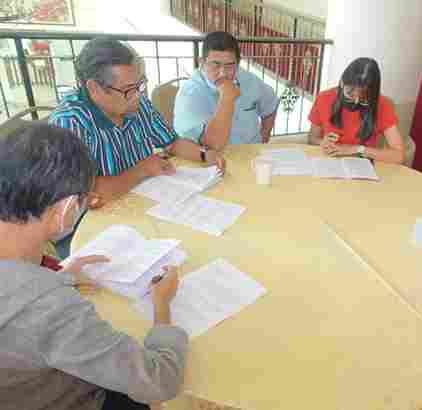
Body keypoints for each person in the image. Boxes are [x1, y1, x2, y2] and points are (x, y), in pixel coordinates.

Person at [0, 123, 188, 410]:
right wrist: (162, 306)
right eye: (83, 200)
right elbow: (158, 381)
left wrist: (60, 275)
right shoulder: (49, 307)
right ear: (65, 209)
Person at [49, 37, 225, 209]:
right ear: (94, 88)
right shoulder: (69, 123)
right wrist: (142, 170)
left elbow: (172, 143)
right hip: (100, 218)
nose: (137, 96)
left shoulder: (136, 103)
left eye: (139, 85)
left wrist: (204, 154)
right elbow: (83, 196)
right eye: (128, 90)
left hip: (146, 202)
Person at [174, 31, 279, 148]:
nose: (223, 73)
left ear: (237, 64)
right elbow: (213, 143)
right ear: (202, 63)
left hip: (251, 151)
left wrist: (263, 139)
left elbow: (271, 103)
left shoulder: (247, 79)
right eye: (215, 65)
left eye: (229, 65)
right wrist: (227, 97)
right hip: (212, 156)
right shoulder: (190, 94)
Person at [307, 57, 405, 164]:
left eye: (363, 97)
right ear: (342, 83)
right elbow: (312, 138)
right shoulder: (324, 98)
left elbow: (398, 156)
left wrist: (357, 149)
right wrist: (322, 142)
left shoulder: (382, 105)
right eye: (350, 93)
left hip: (361, 166)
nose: (355, 101)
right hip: (328, 163)